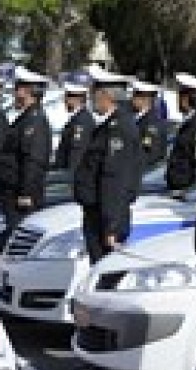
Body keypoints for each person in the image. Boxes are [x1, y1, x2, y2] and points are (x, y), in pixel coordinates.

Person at [74, 64, 142, 264]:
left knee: (106, 275)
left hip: (104, 218)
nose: (92, 98)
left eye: (95, 93)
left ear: (106, 95)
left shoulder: (118, 129)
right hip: (98, 214)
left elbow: (114, 180)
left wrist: (110, 226)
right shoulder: (109, 126)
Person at [0, 66, 53, 232]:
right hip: (13, 190)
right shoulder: (26, 118)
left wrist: (26, 193)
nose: (15, 93)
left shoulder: (34, 121)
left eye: (17, 89)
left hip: (21, 194)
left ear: (26, 91)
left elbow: (33, 159)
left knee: (18, 237)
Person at [166, 73, 196, 195]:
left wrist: (190, 193)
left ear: (191, 97)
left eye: (181, 95)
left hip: (187, 196)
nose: (178, 100)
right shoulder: (191, 121)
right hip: (180, 191)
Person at [53, 82, 95, 171]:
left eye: (68, 96)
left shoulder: (81, 121)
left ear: (78, 98)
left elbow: (76, 153)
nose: (65, 100)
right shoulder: (77, 118)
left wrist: (70, 178)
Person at [131, 80, 169, 170]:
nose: (132, 98)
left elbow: (150, 153)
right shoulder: (137, 118)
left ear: (146, 99)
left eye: (136, 95)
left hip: (145, 172)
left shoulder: (152, 123)